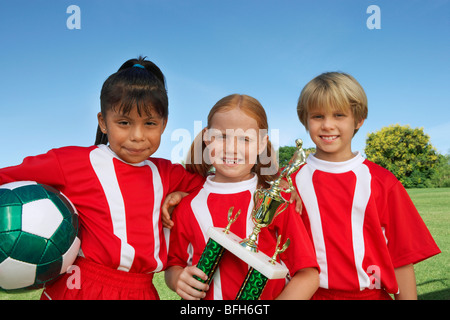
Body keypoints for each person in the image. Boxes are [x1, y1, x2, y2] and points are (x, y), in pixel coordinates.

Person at [0, 57, 204, 300]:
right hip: (81, 288)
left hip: (143, 291)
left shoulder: (168, 173)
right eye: (124, 123)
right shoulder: (71, 162)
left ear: (164, 124)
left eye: (149, 123)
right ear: (103, 122)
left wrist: (181, 195)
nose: (137, 136)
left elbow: (214, 191)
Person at [292, 71, 441, 300]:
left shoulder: (382, 182)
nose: (328, 125)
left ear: (359, 120)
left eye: (339, 115)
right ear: (305, 119)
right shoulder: (290, 182)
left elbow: (401, 258)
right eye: (318, 116)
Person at [164, 94, 319, 300]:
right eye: (221, 136)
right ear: (207, 137)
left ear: (262, 144)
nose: (231, 148)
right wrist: (178, 280)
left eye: (245, 139)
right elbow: (174, 265)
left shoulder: (277, 202)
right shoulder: (188, 205)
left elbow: (308, 275)